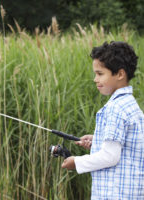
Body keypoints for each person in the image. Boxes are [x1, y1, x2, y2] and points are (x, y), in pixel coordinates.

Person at [61, 41, 144, 199]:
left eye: (100, 74)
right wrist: (97, 140)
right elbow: (127, 145)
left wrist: (77, 162)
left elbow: (110, 156)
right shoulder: (131, 106)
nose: (95, 79)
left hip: (114, 194)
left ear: (120, 74)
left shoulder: (115, 108)